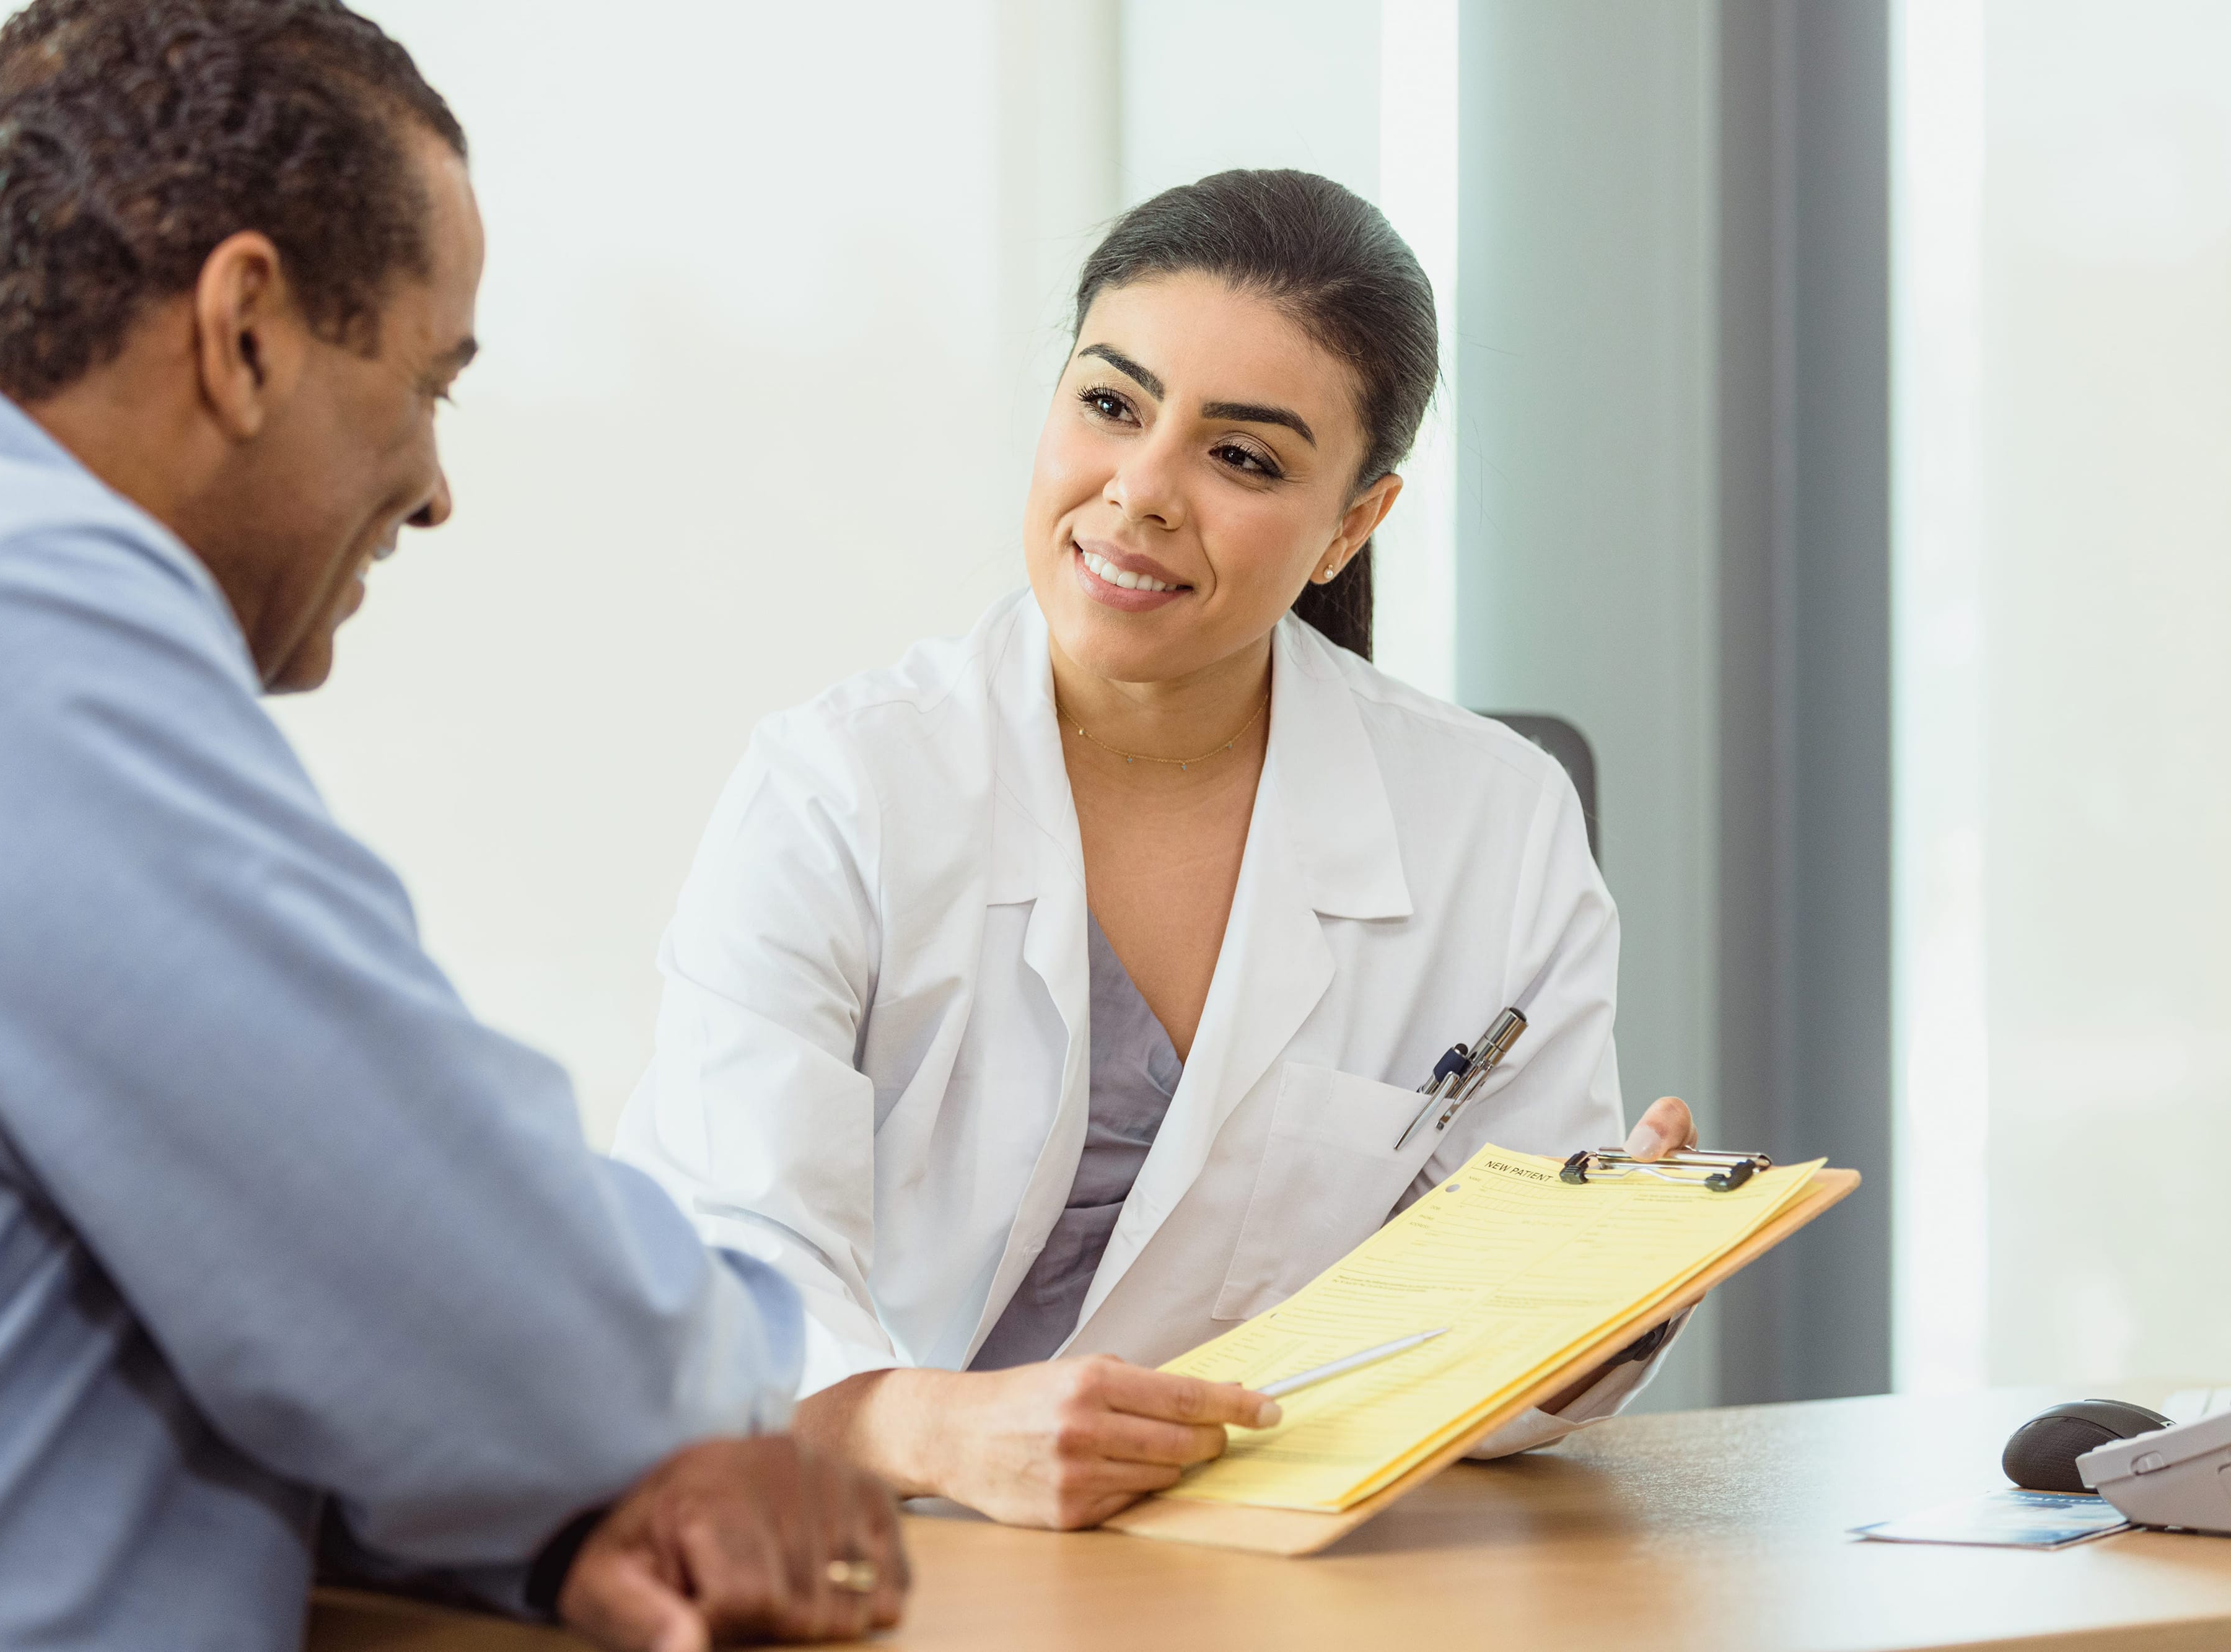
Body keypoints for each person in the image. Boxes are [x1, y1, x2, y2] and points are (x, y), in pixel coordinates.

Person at [0, 4, 905, 1648]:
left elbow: (223, 1307)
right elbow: (516, 1328)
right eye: (427, 380)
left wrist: (547, 1518)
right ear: (245, 332)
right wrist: (697, 1418)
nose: (438, 484)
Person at [615, 168, 1701, 1531]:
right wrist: (931, 1426)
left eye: (1239, 457)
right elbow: (725, 1252)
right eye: (1110, 404)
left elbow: (1486, 1371)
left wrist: (1597, 1300)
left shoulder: (1494, 818)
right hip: (888, 1547)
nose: (1138, 491)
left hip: (1282, 1572)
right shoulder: (840, 788)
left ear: (1351, 523)